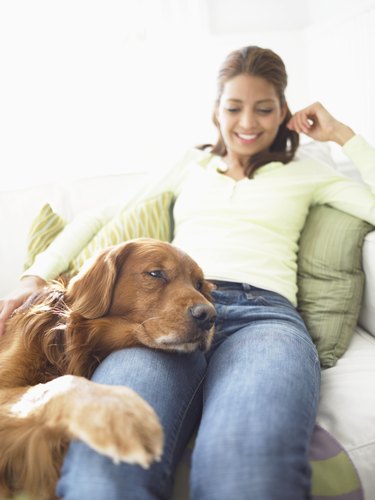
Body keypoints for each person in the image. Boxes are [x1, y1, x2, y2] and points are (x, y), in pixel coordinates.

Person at [1, 45, 375, 500]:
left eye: (264, 109)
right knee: (106, 460)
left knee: (246, 462)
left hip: (264, 317)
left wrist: (343, 136)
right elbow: (100, 217)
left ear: (283, 112)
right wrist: (34, 276)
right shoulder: (191, 165)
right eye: (234, 107)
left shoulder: (308, 171)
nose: (248, 123)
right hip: (171, 304)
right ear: (216, 111)